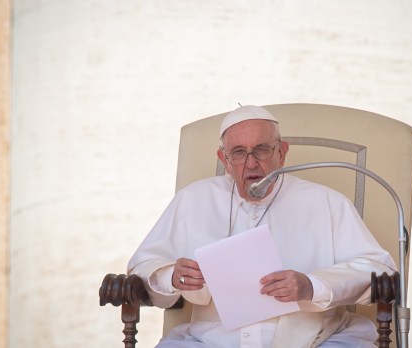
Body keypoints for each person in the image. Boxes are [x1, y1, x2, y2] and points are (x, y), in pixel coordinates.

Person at [127, 105, 397, 347]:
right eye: (239, 153)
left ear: (282, 152)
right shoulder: (193, 199)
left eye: (262, 149)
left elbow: (379, 269)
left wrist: (312, 286)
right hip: (211, 340)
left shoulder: (328, 202)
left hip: (315, 338)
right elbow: (143, 266)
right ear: (224, 160)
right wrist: (170, 275)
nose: (251, 162)